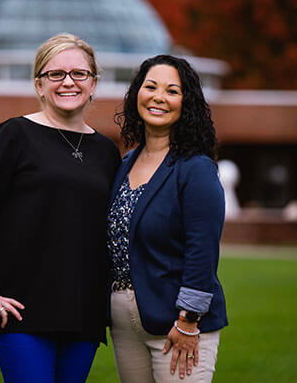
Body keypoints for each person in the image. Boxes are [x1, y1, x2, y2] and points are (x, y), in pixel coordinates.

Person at [0, 33, 121, 383]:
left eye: (79, 74)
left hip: (83, 309)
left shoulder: (106, 150)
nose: (68, 81)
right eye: (56, 74)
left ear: (94, 83)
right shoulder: (13, 135)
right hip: (18, 307)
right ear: (39, 84)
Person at [107, 54, 228, 383]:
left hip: (179, 324)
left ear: (185, 104)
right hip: (124, 323)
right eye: (150, 87)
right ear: (137, 96)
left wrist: (189, 320)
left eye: (172, 91)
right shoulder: (125, 164)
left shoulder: (196, 169)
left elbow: (202, 248)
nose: (159, 97)